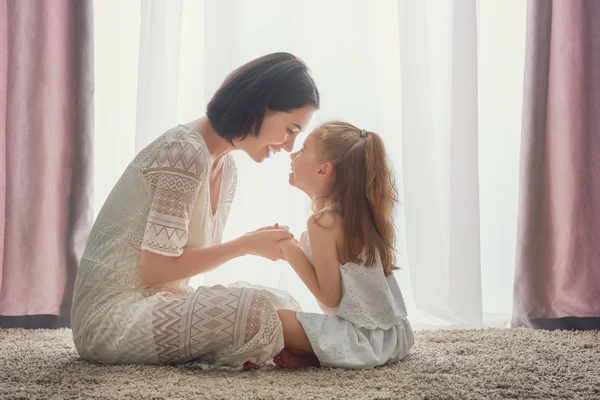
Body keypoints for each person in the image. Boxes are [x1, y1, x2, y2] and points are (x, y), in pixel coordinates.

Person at [71, 53, 319, 370]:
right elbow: (156, 271)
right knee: (255, 310)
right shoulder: (185, 151)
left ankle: (325, 347)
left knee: (277, 302)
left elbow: (179, 264)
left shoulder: (226, 170)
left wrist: (250, 241)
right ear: (260, 106)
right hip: (110, 320)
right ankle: (352, 347)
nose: (288, 146)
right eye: (290, 129)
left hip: (159, 303)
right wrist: (244, 246)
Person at [272, 121, 414, 369]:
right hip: (396, 337)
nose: (293, 154)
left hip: (361, 342)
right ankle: (317, 356)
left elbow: (330, 297)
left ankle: (328, 353)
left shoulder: (323, 222)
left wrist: (287, 249)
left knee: (273, 318)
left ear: (323, 170)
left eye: (303, 150)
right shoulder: (359, 217)